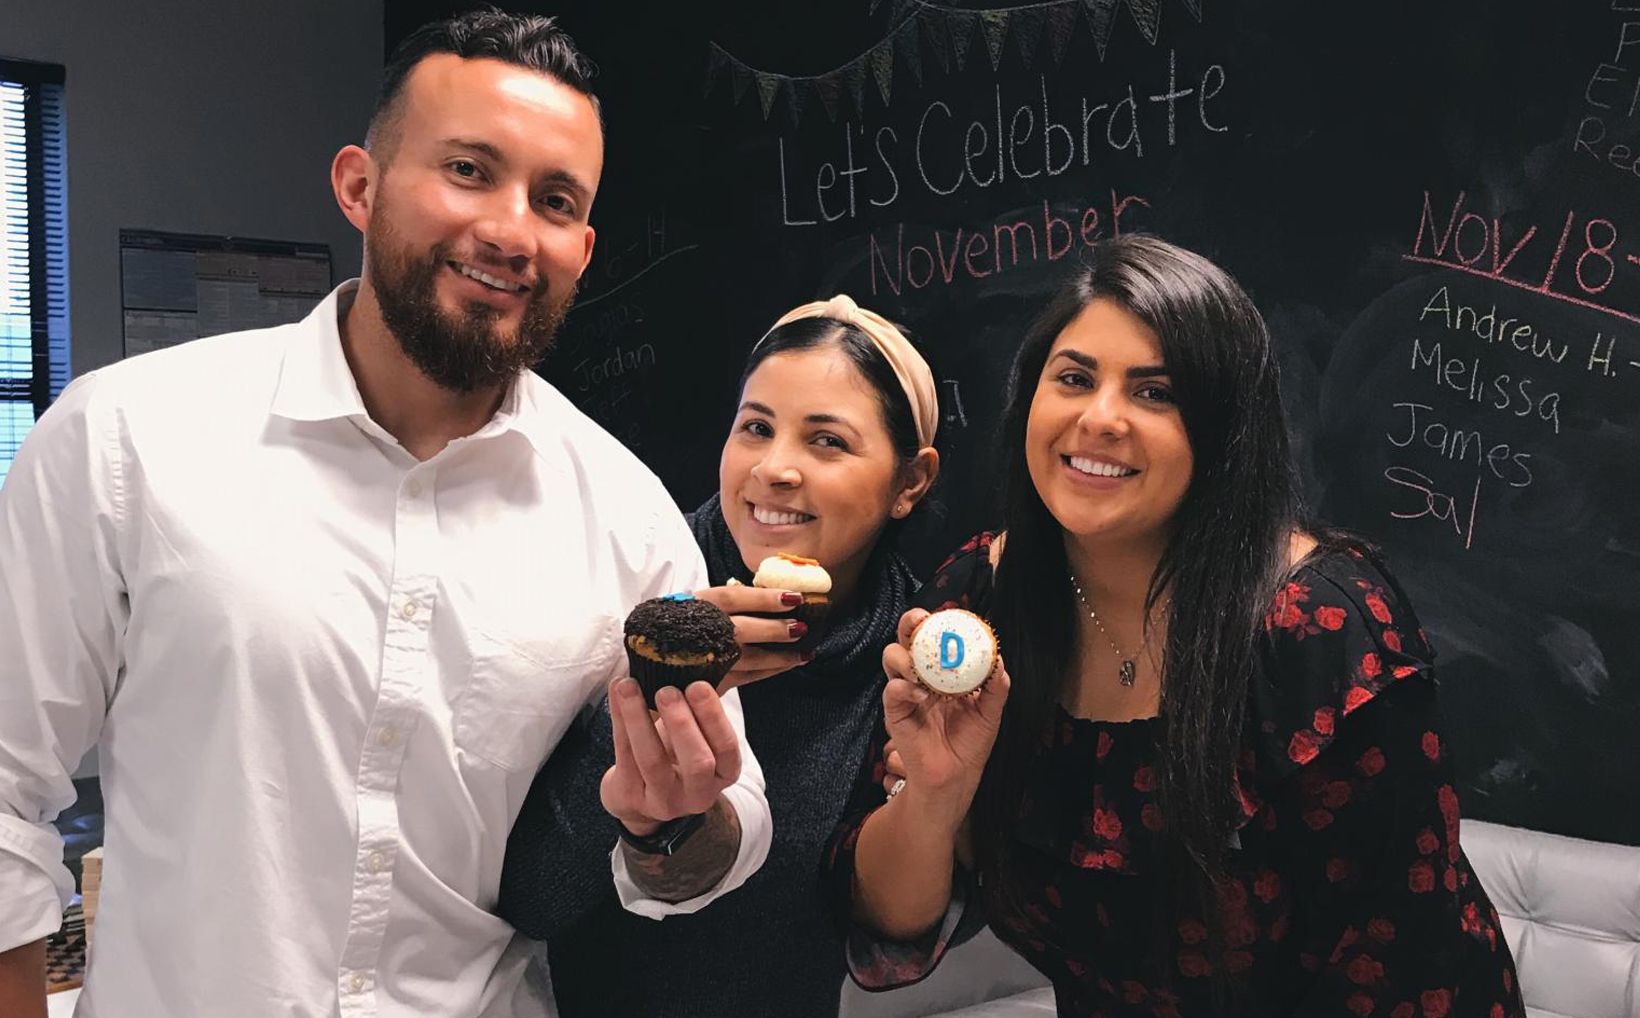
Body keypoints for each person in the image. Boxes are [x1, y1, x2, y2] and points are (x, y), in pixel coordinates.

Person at [0, 12, 771, 1018]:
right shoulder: (127, 438)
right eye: (466, 169)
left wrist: (667, 824)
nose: (505, 228)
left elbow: (724, 828)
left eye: (551, 200)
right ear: (359, 185)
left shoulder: (623, 514)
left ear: (581, 249)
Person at [830, 235, 1525, 1016]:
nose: (1100, 418)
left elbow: (1398, 971)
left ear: (1222, 430)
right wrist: (933, 796)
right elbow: (889, 942)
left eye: (1155, 392)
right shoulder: (977, 603)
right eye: (1074, 378)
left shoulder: (1321, 630)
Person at [498, 295, 940, 1016]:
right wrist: (655, 686)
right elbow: (533, 899)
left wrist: (934, 799)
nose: (775, 468)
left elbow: (891, 945)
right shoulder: (640, 584)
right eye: (756, 428)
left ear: (910, 482)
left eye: (827, 441)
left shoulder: (908, 658)